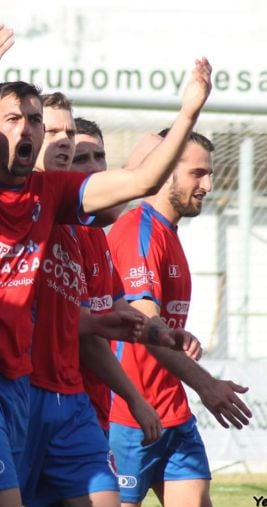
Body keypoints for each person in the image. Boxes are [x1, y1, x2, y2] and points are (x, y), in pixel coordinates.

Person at [0, 24, 212, 507]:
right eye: (15, 118)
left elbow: (140, 179)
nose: (28, 128)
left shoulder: (50, 197)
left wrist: (187, 113)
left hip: (20, 379)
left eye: (36, 120)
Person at [106, 131, 254, 507]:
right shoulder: (137, 230)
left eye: (209, 174)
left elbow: (163, 330)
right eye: (197, 173)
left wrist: (181, 339)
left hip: (172, 412)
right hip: (129, 417)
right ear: (166, 169)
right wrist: (207, 384)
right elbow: (145, 329)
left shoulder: (167, 233)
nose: (207, 185)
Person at [70, 117, 202, 437]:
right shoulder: (135, 230)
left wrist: (165, 334)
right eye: (80, 158)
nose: (94, 167)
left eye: (99, 157)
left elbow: (124, 313)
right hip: (81, 406)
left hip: (113, 406)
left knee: (196, 491)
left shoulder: (97, 235)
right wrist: (136, 398)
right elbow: (88, 336)